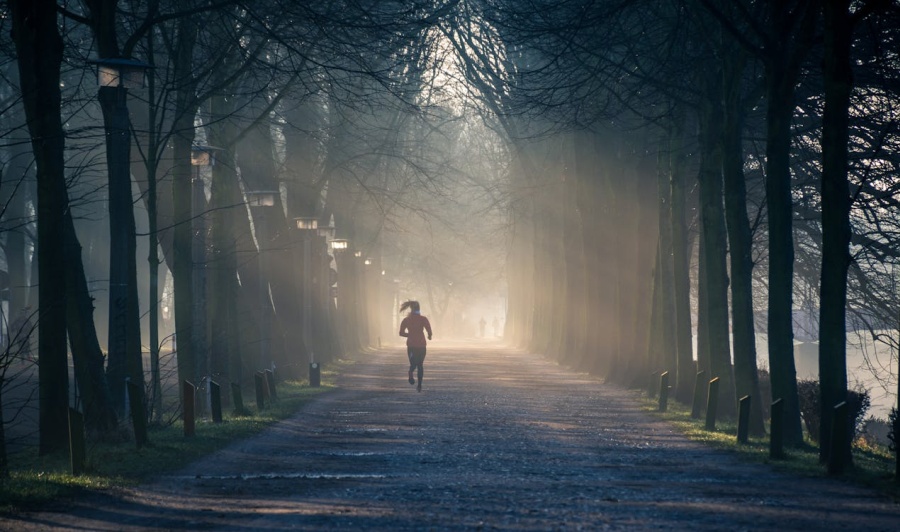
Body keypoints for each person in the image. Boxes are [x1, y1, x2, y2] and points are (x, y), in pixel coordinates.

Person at [399, 300, 432, 392]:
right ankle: (419, 385)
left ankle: (410, 372)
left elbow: (401, 333)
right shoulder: (423, 319)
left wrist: (409, 335)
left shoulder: (406, 320)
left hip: (411, 345)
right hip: (421, 345)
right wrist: (429, 335)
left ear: (411, 308)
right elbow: (429, 329)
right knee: (420, 365)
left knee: (413, 363)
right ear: (419, 308)